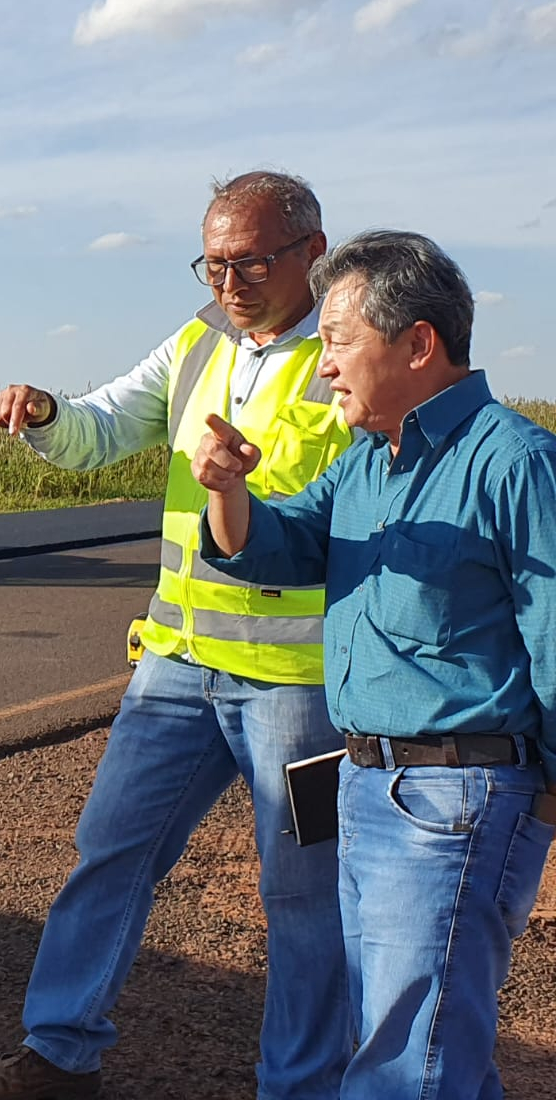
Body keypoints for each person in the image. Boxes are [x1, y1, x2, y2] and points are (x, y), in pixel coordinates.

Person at [0, 171, 355, 1100]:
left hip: (301, 689)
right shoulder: (198, 342)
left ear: (313, 251)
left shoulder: (349, 353)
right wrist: (49, 414)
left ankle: (299, 1088)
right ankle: (57, 1057)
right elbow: (100, 430)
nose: (228, 283)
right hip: (177, 669)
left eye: (249, 261)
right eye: (212, 263)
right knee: (110, 855)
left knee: (304, 902)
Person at [193, 229, 556, 1100]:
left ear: (419, 344)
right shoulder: (367, 463)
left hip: (455, 801)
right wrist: (227, 490)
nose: (323, 365)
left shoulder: (515, 465)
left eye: (339, 340)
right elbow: (279, 550)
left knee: (405, 1062)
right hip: (367, 789)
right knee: (423, 1041)